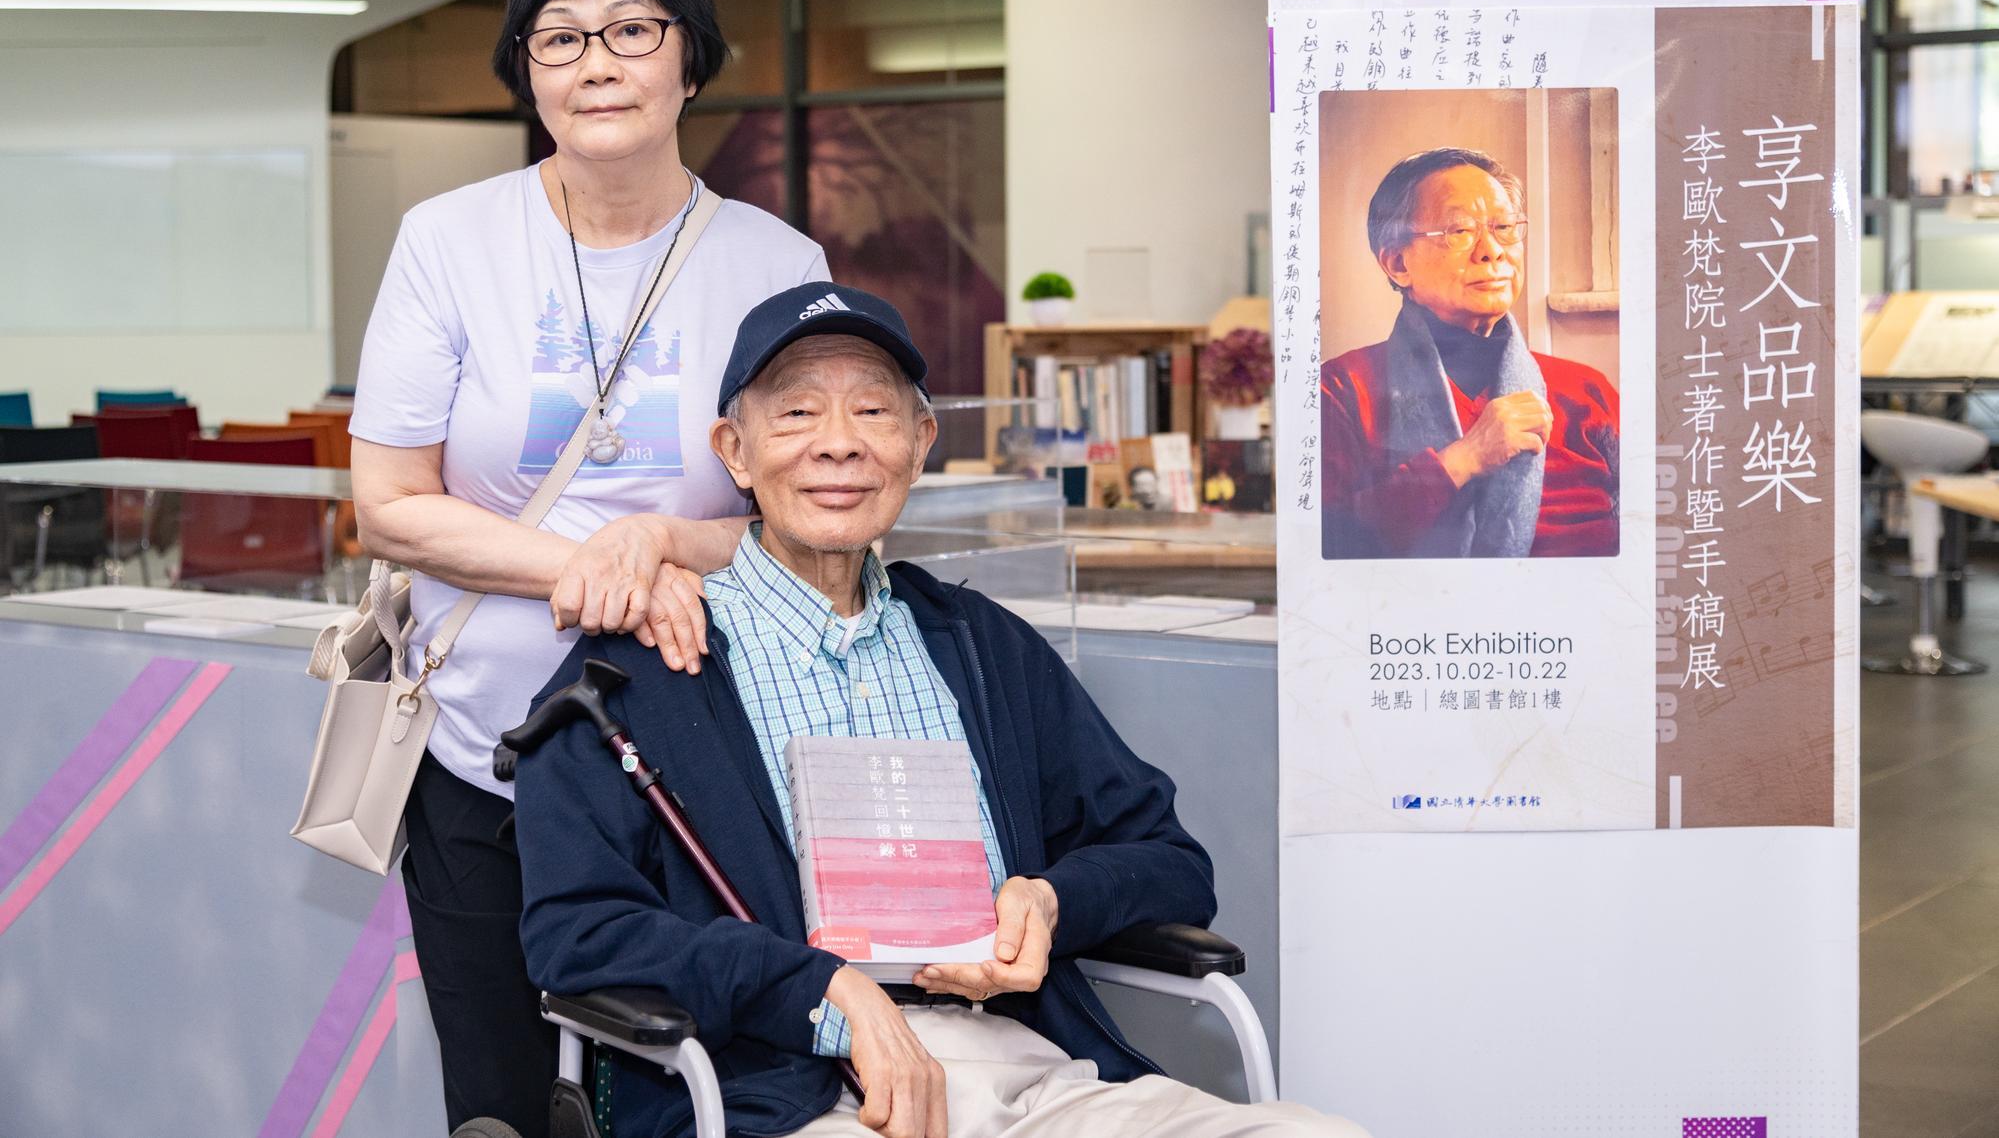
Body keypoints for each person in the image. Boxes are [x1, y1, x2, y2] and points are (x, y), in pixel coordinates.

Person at [514, 283, 1370, 1138]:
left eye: (874, 412)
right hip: (770, 1092)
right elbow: (576, 932)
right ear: (734, 452)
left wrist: (1049, 901)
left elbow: (1170, 860)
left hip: (1025, 1072)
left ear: (919, 444)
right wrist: (816, 985)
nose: (839, 446)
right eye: (798, 413)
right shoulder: (634, 677)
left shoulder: (984, 649)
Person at [347, 0, 828, 1135]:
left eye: (630, 28)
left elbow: (812, 525)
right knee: (501, 1105)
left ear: (689, 59)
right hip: (478, 757)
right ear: (525, 70)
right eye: (557, 37)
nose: (595, 62)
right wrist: (592, 561)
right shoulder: (448, 242)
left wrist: (661, 542)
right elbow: (390, 505)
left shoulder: (776, 263)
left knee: (696, 1095)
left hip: (697, 765)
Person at [1319, 147, 1619, 560]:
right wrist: (1462, 460)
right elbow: (1329, 547)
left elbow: (1656, 528)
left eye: (1504, 227)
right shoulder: (1342, 388)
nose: (1491, 251)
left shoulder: (1586, 390)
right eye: (1459, 231)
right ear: (1397, 263)